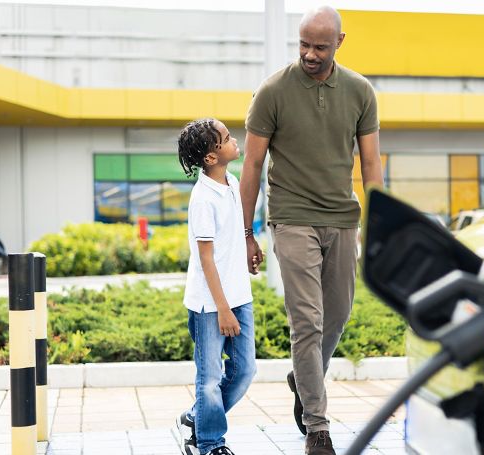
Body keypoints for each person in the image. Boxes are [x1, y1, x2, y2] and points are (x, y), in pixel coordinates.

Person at [239, 6, 384, 455]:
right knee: (307, 321)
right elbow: (251, 165)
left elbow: (372, 163)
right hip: (292, 217)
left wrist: (381, 226)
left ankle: (303, 377)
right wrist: (247, 232)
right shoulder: (273, 92)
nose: (309, 54)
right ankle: (317, 429)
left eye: (320, 46)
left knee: (337, 314)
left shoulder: (360, 91)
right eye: (303, 44)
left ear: (340, 42)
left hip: (342, 217)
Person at [175, 118, 260, 455]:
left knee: (244, 371)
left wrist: (250, 249)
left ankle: (198, 416)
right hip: (209, 305)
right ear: (211, 157)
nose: (234, 140)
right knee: (209, 379)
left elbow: (232, 237)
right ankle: (209, 442)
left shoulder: (231, 182)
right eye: (226, 138)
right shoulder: (202, 200)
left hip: (240, 296)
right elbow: (206, 259)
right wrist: (223, 308)